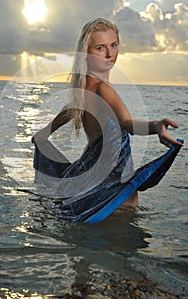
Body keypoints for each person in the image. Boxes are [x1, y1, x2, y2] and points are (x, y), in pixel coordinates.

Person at [32, 17, 183, 208]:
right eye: (100, 48)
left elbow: (70, 109)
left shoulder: (84, 87)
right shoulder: (104, 89)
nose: (110, 54)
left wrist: (45, 133)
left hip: (90, 174)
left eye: (114, 45)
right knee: (124, 222)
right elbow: (128, 124)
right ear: (85, 53)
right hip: (114, 180)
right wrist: (156, 126)